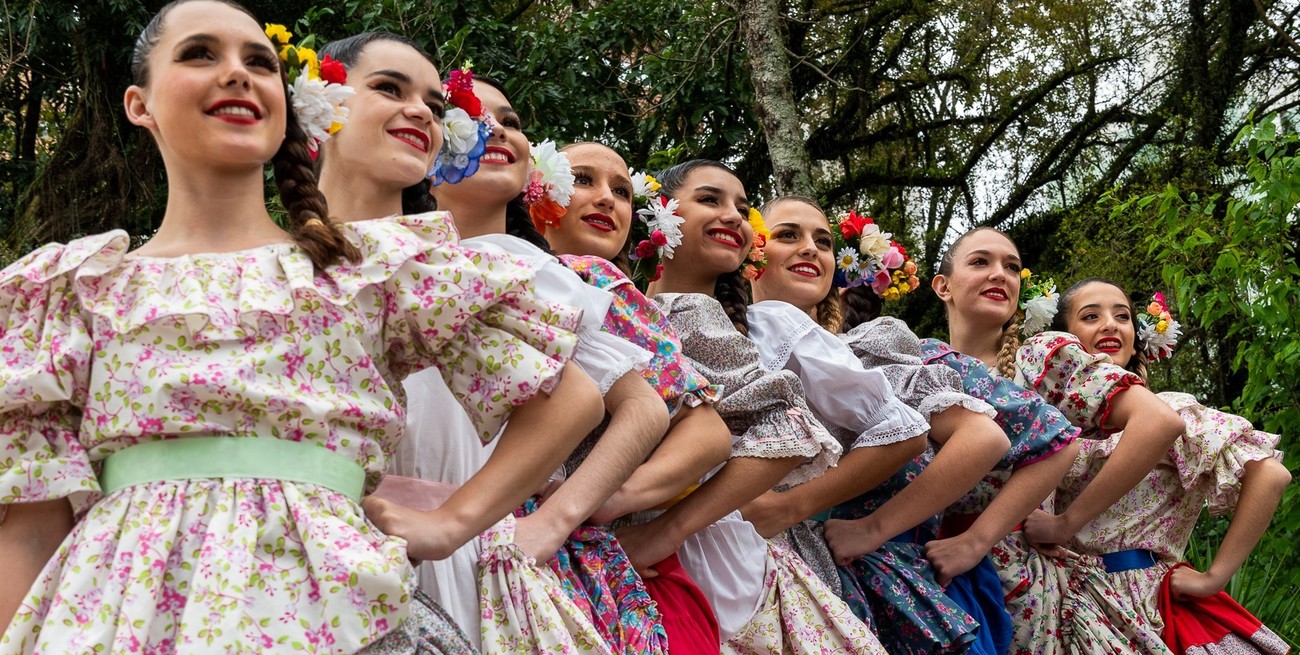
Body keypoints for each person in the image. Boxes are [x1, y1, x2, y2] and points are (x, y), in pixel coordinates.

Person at [0, 2, 602, 653]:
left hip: (337, 621)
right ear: (139, 103)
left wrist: (453, 522)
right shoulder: (71, 289)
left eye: (258, 62)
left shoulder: (368, 270)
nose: (236, 73)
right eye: (201, 53)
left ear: (287, 107)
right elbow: (31, 529)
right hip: (122, 625)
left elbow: (568, 398)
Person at [423, 74, 674, 654]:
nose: (496, 130)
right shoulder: (392, 252)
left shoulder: (550, 276)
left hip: (490, 535)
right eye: (463, 112)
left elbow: (642, 406)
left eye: (511, 121)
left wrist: (558, 518)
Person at [616, 159, 887, 654]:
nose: (735, 217)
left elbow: (789, 432)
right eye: (711, 199)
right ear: (659, 212)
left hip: (707, 554)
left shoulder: (697, 312)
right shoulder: (627, 305)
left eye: (743, 209)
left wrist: (663, 529)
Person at [743, 196, 1013, 654]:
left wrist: (863, 526)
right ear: (754, 252)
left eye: (823, 242)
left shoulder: (865, 347)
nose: (810, 248)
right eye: (789, 235)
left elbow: (979, 436)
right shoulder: (727, 328)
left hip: (843, 567)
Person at [1020, 278, 1291, 654]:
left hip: (1151, 607)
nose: (1111, 324)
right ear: (1064, 341)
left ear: (1136, 337)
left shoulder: (1171, 409)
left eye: (1122, 316)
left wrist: (1213, 578)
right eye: (1091, 316)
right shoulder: (1045, 424)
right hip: (1062, 603)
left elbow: (1271, 474)